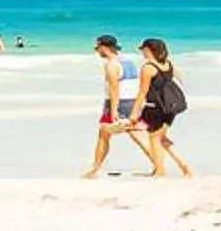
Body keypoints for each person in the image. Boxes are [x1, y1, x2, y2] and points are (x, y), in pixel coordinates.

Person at [83, 34, 156, 178]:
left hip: (118, 103)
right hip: (132, 101)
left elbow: (114, 89)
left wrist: (114, 111)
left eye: (97, 47)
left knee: (104, 134)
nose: (96, 51)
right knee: (136, 135)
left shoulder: (111, 64)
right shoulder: (128, 61)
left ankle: (94, 170)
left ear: (104, 47)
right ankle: (158, 164)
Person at [134, 38, 193, 178]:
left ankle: (160, 172)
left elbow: (142, 93)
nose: (142, 51)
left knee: (154, 139)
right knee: (162, 139)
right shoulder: (167, 64)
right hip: (170, 108)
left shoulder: (148, 67)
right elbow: (177, 80)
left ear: (149, 50)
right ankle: (185, 168)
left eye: (143, 49)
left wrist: (134, 113)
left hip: (156, 108)